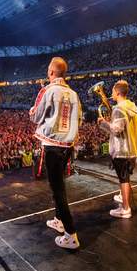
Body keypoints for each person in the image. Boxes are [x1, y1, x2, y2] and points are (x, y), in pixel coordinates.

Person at [30, 57, 82, 249]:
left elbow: (36, 117)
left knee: (57, 189)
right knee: (59, 184)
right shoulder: (74, 94)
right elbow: (79, 119)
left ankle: (71, 234)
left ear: (51, 72)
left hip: (52, 146)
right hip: (67, 145)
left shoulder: (49, 90)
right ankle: (59, 220)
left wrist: (32, 111)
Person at [98, 80, 137, 218]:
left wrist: (103, 123)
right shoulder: (131, 106)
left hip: (122, 150)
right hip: (131, 148)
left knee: (123, 179)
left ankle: (125, 209)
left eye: (112, 92)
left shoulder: (119, 109)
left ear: (117, 92)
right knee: (125, 178)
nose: (111, 94)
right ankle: (124, 202)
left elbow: (116, 130)